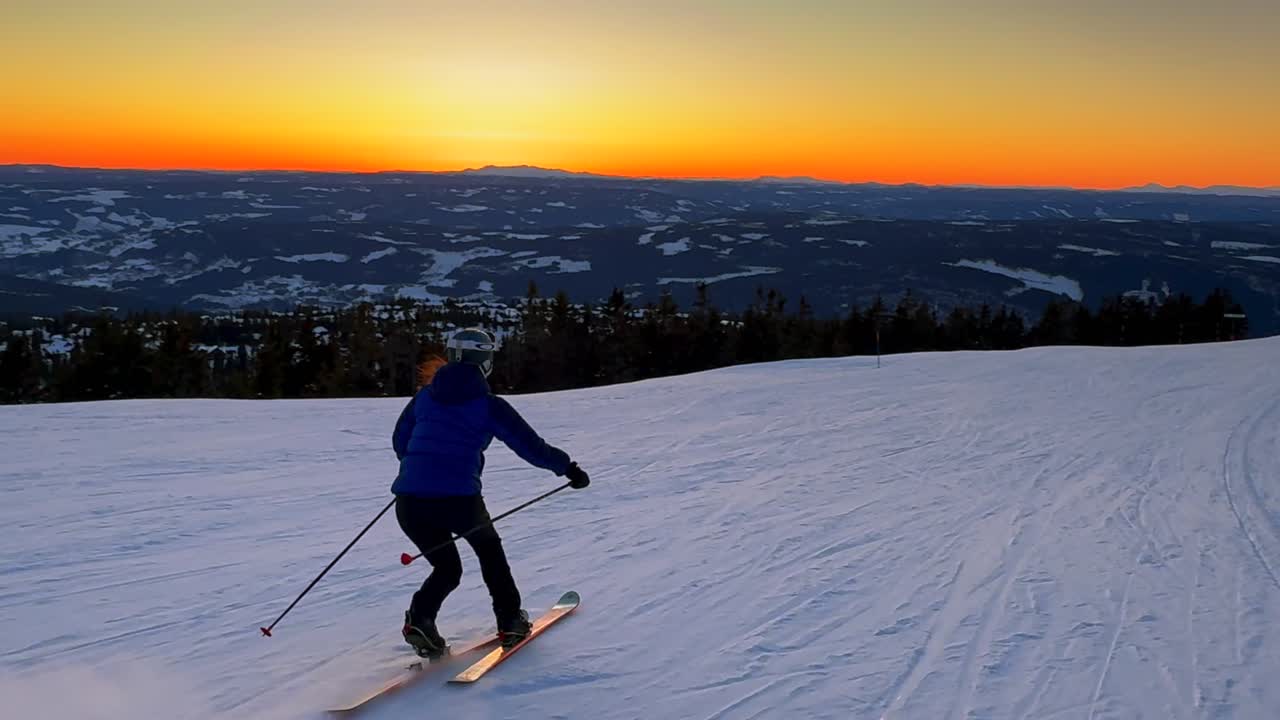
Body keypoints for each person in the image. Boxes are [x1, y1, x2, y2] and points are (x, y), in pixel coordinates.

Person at [391, 327, 590, 656]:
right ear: (485, 362)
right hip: (459, 500)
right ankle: (510, 621)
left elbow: (401, 442)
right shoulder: (487, 405)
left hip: (410, 503)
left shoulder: (424, 397)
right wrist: (568, 468)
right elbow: (531, 447)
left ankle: (420, 620)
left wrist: (419, 469)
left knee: (447, 568)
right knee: (491, 555)